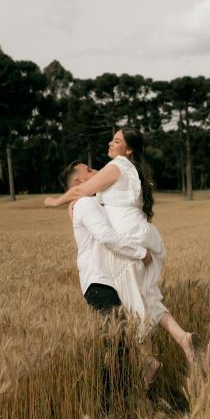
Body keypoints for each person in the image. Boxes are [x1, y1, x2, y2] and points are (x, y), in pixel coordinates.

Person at [45, 128, 200, 382]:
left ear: (128, 149)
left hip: (129, 239)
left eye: (117, 140)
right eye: (113, 138)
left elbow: (78, 192)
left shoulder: (115, 166)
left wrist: (53, 202)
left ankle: (146, 359)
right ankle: (182, 338)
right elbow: (85, 196)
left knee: (132, 301)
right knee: (145, 295)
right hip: (142, 234)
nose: (110, 143)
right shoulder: (129, 170)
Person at [55, 159, 158, 388]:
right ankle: (110, 409)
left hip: (110, 283)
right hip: (100, 284)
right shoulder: (85, 204)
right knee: (117, 343)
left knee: (119, 344)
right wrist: (141, 253)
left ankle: (124, 401)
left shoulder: (94, 203)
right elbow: (106, 236)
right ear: (79, 182)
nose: (97, 170)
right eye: (89, 170)